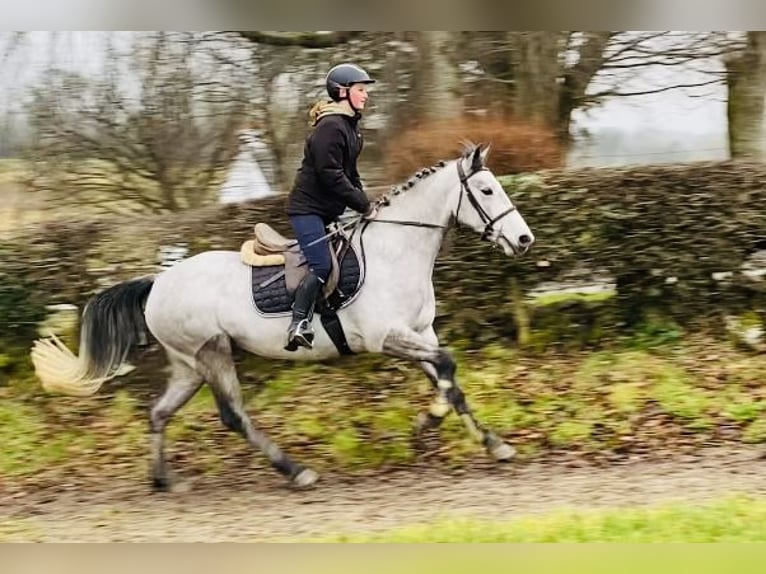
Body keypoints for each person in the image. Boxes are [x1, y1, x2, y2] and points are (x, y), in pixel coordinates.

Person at [284, 63, 378, 351]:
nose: (365, 96)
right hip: (307, 210)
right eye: (361, 90)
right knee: (322, 265)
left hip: (326, 210)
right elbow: (330, 174)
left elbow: (350, 175)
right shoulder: (331, 127)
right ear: (342, 92)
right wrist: (361, 203)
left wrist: (368, 204)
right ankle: (298, 323)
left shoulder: (351, 130)